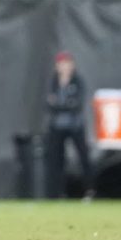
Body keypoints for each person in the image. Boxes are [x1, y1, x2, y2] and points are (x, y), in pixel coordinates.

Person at [45, 50, 95, 202]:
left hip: (75, 126)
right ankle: (57, 193)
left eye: (67, 63)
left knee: (83, 157)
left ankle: (89, 190)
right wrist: (63, 104)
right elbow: (48, 104)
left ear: (72, 65)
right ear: (57, 66)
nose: (65, 67)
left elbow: (76, 105)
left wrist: (59, 104)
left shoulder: (77, 81)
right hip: (57, 127)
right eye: (61, 64)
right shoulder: (53, 82)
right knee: (56, 160)